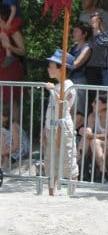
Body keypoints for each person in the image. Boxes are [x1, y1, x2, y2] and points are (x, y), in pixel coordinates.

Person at [43, 49, 79, 195]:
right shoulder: (58, 85)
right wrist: (44, 129)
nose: (48, 69)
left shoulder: (69, 85)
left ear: (61, 68)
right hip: (51, 127)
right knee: (51, 160)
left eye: (52, 66)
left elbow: (63, 105)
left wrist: (53, 91)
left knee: (67, 160)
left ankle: (72, 192)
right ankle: (52, 191)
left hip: (63, 128)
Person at [77, 91, 108, 182]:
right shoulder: (92, 116)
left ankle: (82, 168)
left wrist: (90, 135)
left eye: (96, 102)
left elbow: (106, 136)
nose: (92, 104)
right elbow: (89, 129)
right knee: (88, 140)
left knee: (94, 141)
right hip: (96, 151)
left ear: (106, 104)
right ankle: (85, 168)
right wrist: (85, 131)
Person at [78, 0, 108, 87]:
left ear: (95, 1)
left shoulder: (104, 15)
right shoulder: (82, 16)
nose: (83, 0)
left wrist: (97, 27)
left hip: (99, 61)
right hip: (84, 60)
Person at [0, 3, 26, 106]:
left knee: (11, 102)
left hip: (10, 70)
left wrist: (9, 47)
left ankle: (15, 122)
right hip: (1, 70)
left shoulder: (13, 31)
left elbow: (22, 51)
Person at [69, 21, 93, 113]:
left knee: (78, 111)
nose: (73, 33)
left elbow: (75, 64)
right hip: (69, 81)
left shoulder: (87, 48)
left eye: (76, 31)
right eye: (73, 31)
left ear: (84, 34)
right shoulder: (72, 47)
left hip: (79, 82)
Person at [0, 0, 23, 67]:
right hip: (10, 19)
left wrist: (8, 22)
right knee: (3, 32)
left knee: (4, 33)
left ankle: (9, 56)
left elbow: (13, 10)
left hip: (15, 19)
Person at [1, 104, 29, 169]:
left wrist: (2, 152)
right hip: (11, 151)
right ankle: (4, 163)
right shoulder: (4, 127)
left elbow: (16, 146)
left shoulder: (13, 126)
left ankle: (4, 164)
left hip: (20, 152)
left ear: (6, 118)